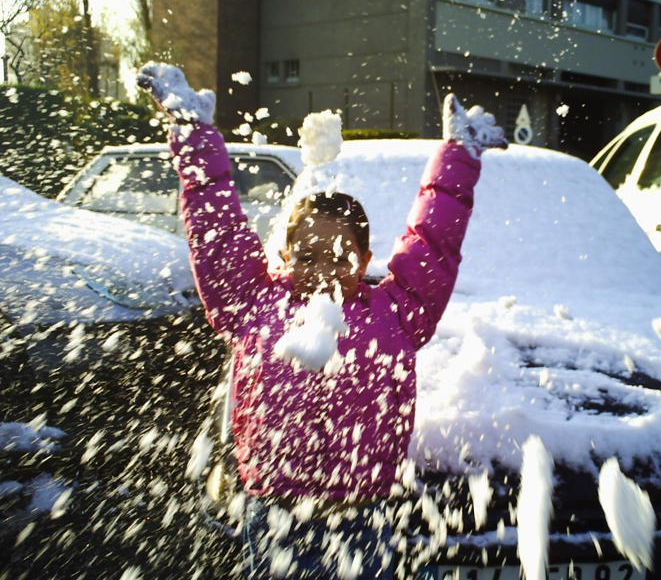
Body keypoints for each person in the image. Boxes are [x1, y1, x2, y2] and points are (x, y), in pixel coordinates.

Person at [137, 62, 507, 580]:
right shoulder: (253, 304)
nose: (323, 270)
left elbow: (434, 241)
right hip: (277, 513)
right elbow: (216, 230)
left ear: (366, 258)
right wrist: (193, 132)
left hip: (363, 515)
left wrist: (458, 155)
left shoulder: (397, 313)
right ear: (285, 256)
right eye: (307, 257)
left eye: (340, 256)